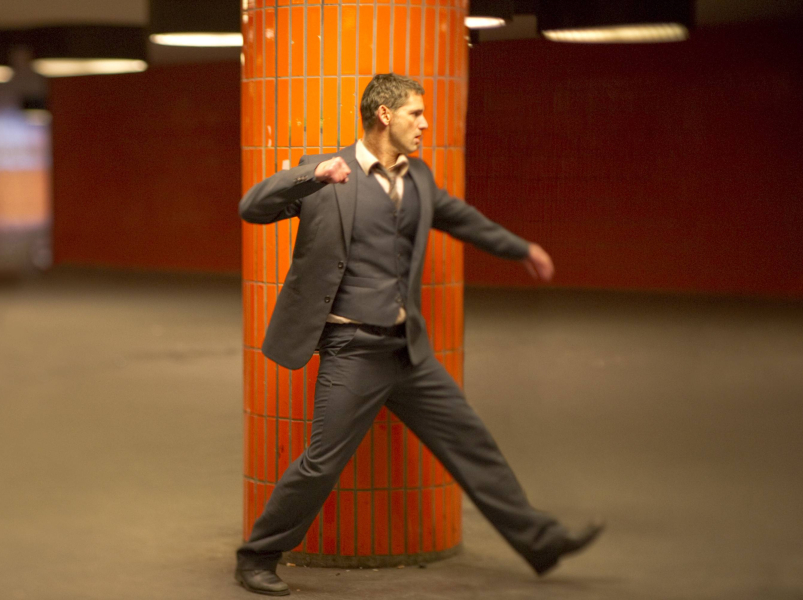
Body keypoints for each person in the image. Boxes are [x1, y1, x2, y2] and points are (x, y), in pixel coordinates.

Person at [234, 73, 603, 596]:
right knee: (322, 463)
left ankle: (539, 541)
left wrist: (521, 249)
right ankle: (256, 557)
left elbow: (463, 220)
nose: (425, 123)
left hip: (407, 351)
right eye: (415, 113)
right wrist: (313, 174)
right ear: (384, 115)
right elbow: (252, 207)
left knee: (470, 442)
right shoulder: (327, 174)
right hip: (352, 350)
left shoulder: (419, 178)